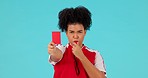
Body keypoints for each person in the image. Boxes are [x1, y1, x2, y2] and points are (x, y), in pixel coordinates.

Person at [48, 6, 106, 78]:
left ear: (84, 32)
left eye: (79, 32)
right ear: (66, 33)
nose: (75, 36)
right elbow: (56, 55)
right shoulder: (62, 50)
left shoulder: (95, 54)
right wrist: (53, 51)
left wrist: (82, 57)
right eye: (71, 32)